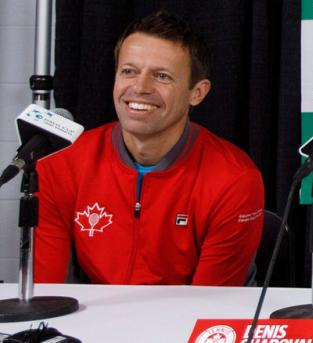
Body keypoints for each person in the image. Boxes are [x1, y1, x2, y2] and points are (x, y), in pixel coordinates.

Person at [34, 11, 264, 286]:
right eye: (128, 71)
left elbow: (210, 310)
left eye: (162, 76)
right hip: (90, 326)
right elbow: (50, 294)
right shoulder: (60, 163)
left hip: (183, 325)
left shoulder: (234, 179)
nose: (140, 87)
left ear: (197, 92)